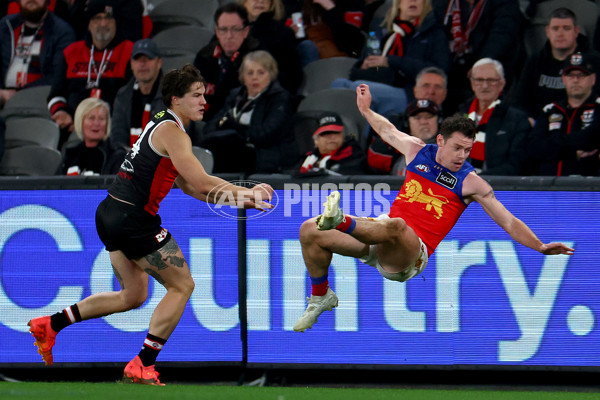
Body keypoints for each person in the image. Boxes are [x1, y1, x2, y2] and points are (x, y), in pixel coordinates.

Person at [27, 64, 274, 385]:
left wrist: (241, 198)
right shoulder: (173, 131)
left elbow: (188, 186)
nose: (203, 102)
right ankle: (142, 363)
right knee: (182, 285)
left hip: (111, 212)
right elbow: (200, 183)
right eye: (196, 96)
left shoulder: (160, 124)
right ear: (176, 99)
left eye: (204, 95)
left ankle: (51, 324)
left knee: (132, 296)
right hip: (134, 218)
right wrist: (247, 192)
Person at [292, 83, 574, 333]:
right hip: (379, 238)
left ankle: (340, 220)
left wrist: (539, 246)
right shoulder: (417, 151)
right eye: (457, 148)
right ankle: (320, 296)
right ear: (440, 140)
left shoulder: (471, 183)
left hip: (409, 255)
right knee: (309, 230)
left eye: (468, 149)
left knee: (396, 225)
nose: (462, 156)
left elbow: (508, 221)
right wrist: (365, 111)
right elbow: (387, 130)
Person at [331, 0, 450, 119]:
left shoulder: (434, 32)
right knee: (339, 84)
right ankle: (343, 133)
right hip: (378, 80)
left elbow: (439, 70)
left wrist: (391, 61)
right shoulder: (382, 27)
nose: (413, 1)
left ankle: (359, 135)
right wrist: (363, 65)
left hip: (409, 90)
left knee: (358, 90)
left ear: (425, 4)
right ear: (398, 3)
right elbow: (360, 62)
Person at [47, 0, 133, 144]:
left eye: (108, 18)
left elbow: (130, 100)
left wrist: (93, 123)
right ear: (89, 23)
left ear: (116, 22)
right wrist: (62, 113)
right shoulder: (71, 52)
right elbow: (56, 95)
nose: (103, 24)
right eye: (97, 18)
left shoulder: (130, 52)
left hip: (112, 130)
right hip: (71, 128)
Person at [202, 50, 296, 174]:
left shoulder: (280, 98)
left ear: (271, 75)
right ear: (243, 77)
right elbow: (209, 128)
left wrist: (237, 130)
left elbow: (267, 134)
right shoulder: (235, 96)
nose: (254, 77)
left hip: (264, 156)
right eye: (250, 73)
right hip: (233, 152)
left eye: (261, 73)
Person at [510, 7, 600, 124]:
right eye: (555, 29)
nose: (560, 34)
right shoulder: (535, 61)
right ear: (547, 32)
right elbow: (520, 101)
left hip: (582, 124)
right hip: (540, 126)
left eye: (566, 28)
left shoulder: (594, 61)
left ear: (576, 31)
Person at [432, 0, 523, 114]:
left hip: (487, 62)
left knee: (485, 77)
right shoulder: (444, 3)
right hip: (450, 66)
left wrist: (481, 64)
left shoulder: (505, 3)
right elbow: (434, 32)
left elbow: (503, 34)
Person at [526, 52, 600, 177]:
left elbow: (592, 139)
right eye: (570, 75)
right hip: (548, 188)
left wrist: (552, 144)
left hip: (590, 190)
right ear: (563, 79)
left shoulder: (598, 107)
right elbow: (534, 148)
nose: (575, 80)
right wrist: (572, 153)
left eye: (582, 75)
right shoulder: (550, 110)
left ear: (593, 79)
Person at [458, 58, 530, 176]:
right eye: (479, 80)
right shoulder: (459, 117)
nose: (485, 85)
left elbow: (516, 165)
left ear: (502, 84)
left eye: (491, 80)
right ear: (472, 83)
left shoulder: (517, 120)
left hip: (499, 186)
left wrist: (479, 179)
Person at [193, 3, 263, 122]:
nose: (229, 36)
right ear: (217, 32)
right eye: (223, 30)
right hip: (205, 122)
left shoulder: (258, 59)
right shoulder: (205, 56)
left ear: (246, 31)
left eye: (235, 29)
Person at [0, 0, 75, 107]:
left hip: (39, 104)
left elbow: (57, 77)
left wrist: (16, 95)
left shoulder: (62, 32)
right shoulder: (5, 26)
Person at [239, 0, 303, 95]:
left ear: (272, 3)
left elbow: (292, 77)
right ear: (244, 2)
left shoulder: (284, 33)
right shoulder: (231, 30)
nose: (260, 1)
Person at [111, 38, 163, 150]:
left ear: (159, 63)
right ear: (131, 64)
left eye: (148, 59)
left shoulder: (174, 95)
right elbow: (117, 135)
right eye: (138, 59)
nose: (142, 64)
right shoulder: (123, 95)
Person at [367, 98, 440, 174]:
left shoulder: (449, 144)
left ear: (439, 120)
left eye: (429, 117)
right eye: (417, 118)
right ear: (407, 123)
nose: (424, 122)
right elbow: (374, 160)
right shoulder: (396, 145)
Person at [59, 97, 127, 175]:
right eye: (91, 118)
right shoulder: (71, 154)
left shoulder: (117, 156)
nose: (96, 123)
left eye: (101, 119)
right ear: (80, 121)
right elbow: (54, 185)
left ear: (107, 123)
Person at [295, 110, 366, 176]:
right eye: (326, 133)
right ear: (316, 141)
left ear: (342, 136)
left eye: (335, 132)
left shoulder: (355, 157)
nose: (332, 137)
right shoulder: (305, 160)